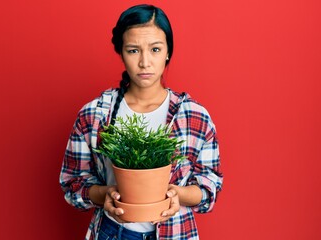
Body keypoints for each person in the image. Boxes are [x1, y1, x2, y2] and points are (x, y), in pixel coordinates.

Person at [60, 4, 223, 240]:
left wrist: (178, 195)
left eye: (155, 49)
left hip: (175, 233)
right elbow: (73, 182)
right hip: (112, 232)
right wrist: (105, 194)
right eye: (133, 50)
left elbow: (211, 186)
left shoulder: (194, 116)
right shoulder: (95, 114)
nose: (145, 62)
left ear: (168, 51)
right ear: (121, 52)